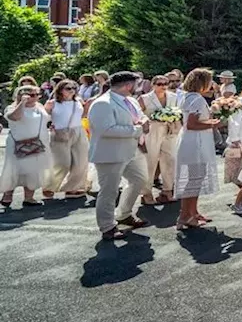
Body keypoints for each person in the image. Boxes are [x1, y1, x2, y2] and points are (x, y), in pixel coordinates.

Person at [86, 72, 151, 240]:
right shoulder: (102, 103)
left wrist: (143, 121)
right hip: (110, 153)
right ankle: (107, 226)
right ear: (128, 85)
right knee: (109, 191)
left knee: (140, 179)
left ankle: (124, 213)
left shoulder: (131, 100)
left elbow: (140, 116)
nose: (138, 87)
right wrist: (138, 129)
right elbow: (106, 130)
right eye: (136, 84)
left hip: (131, 150)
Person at [173, 68, 220, 229]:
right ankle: (184, 215)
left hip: (190, 140)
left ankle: (193, 211)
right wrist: (212, 123)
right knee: (194, 179)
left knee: (196, 178)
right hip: (196, 142)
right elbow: (192, 124)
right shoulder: (197, 99)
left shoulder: (187, 96)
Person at [2, 85, 52, 208]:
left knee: (33, 171)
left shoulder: (39, 107)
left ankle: (29, 197)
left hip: (37, 143)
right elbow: (14, 117)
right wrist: (22, 102)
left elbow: (46, 119)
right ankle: (7, 195)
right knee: (16, 170)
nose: (36, 98)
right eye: (33, 95)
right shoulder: (13, 107)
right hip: (18, 144)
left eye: (37, 95)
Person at [44, 79, 90, 199]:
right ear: (60, 90)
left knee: (80, 162)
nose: (72, 91)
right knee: (62, 163)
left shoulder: (79, 101)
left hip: (78, 131)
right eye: (68, 88)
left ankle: (73, 188)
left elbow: (84, 115)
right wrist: (50, 126)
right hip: (59, 133)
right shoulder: (52, 103)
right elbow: (43, 118)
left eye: (74, 88)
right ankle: (49, 186)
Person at [138, 73, 180, 204]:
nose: (163, 86)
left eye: (165, 84)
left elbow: (178, 112)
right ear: (153, 85)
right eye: (160, 84)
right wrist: (151, 119)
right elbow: (138, 116)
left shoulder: (173, 97)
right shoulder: (144, 98)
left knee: (170, 159)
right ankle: (146, 193)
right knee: (150, 161)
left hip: (170, 130)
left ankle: (167, 190)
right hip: (152, 131)